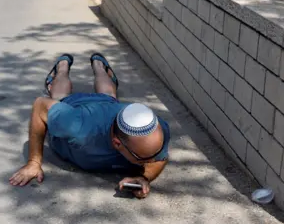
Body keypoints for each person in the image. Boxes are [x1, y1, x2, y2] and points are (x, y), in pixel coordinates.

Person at [9, 53, 170, 199]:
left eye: (155, 153)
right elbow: (40, 105)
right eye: (144, 158)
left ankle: (99, 66)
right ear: (117, 143)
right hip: (75, 106)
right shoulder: (77, 126)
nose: (153, 161)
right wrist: (33, 163)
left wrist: (144, 177)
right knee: (60, 96)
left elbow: (159, 159)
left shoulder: (158, 129)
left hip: (108, 105)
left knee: (109, 96)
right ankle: (62, 66)